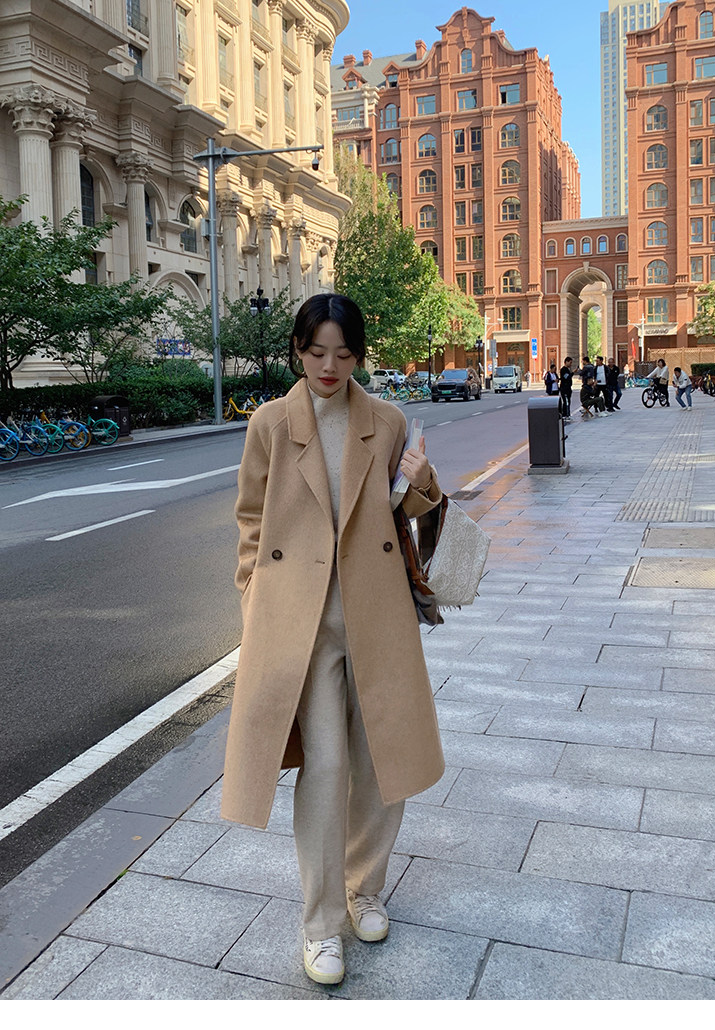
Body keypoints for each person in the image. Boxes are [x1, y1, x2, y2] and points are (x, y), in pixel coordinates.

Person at [221, 294, 445, 986]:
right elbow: (251, 521)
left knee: (382, 761)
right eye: (316, 352)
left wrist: (422, 482)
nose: (329, 367)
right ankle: (320, 924)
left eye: (343, 354)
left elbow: (410, 507)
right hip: (304, 624)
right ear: (297, 350)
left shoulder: (387, 420)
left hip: (378, 613)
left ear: (359, 356)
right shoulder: (270, 423)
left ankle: (364, 889)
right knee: (323, 767)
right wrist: (255, 597)